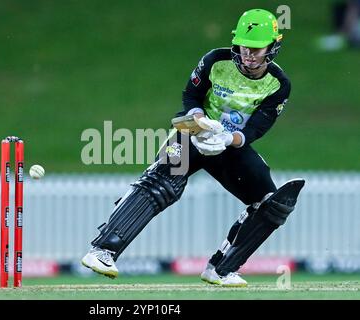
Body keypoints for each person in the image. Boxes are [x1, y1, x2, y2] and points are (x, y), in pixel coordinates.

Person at [81, 8, 305, 287]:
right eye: (244, 47)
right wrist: (199, 120)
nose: (248, 55)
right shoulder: (215, 60)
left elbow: (258, 126)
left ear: (272, 48)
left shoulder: (279, 84)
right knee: (162, 184)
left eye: (256, 50)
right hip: (194, 134)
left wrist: (229, 139)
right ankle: (102, 251)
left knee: (270, 204)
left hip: (228, 145)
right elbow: (191, 94)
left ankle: (221, 269)